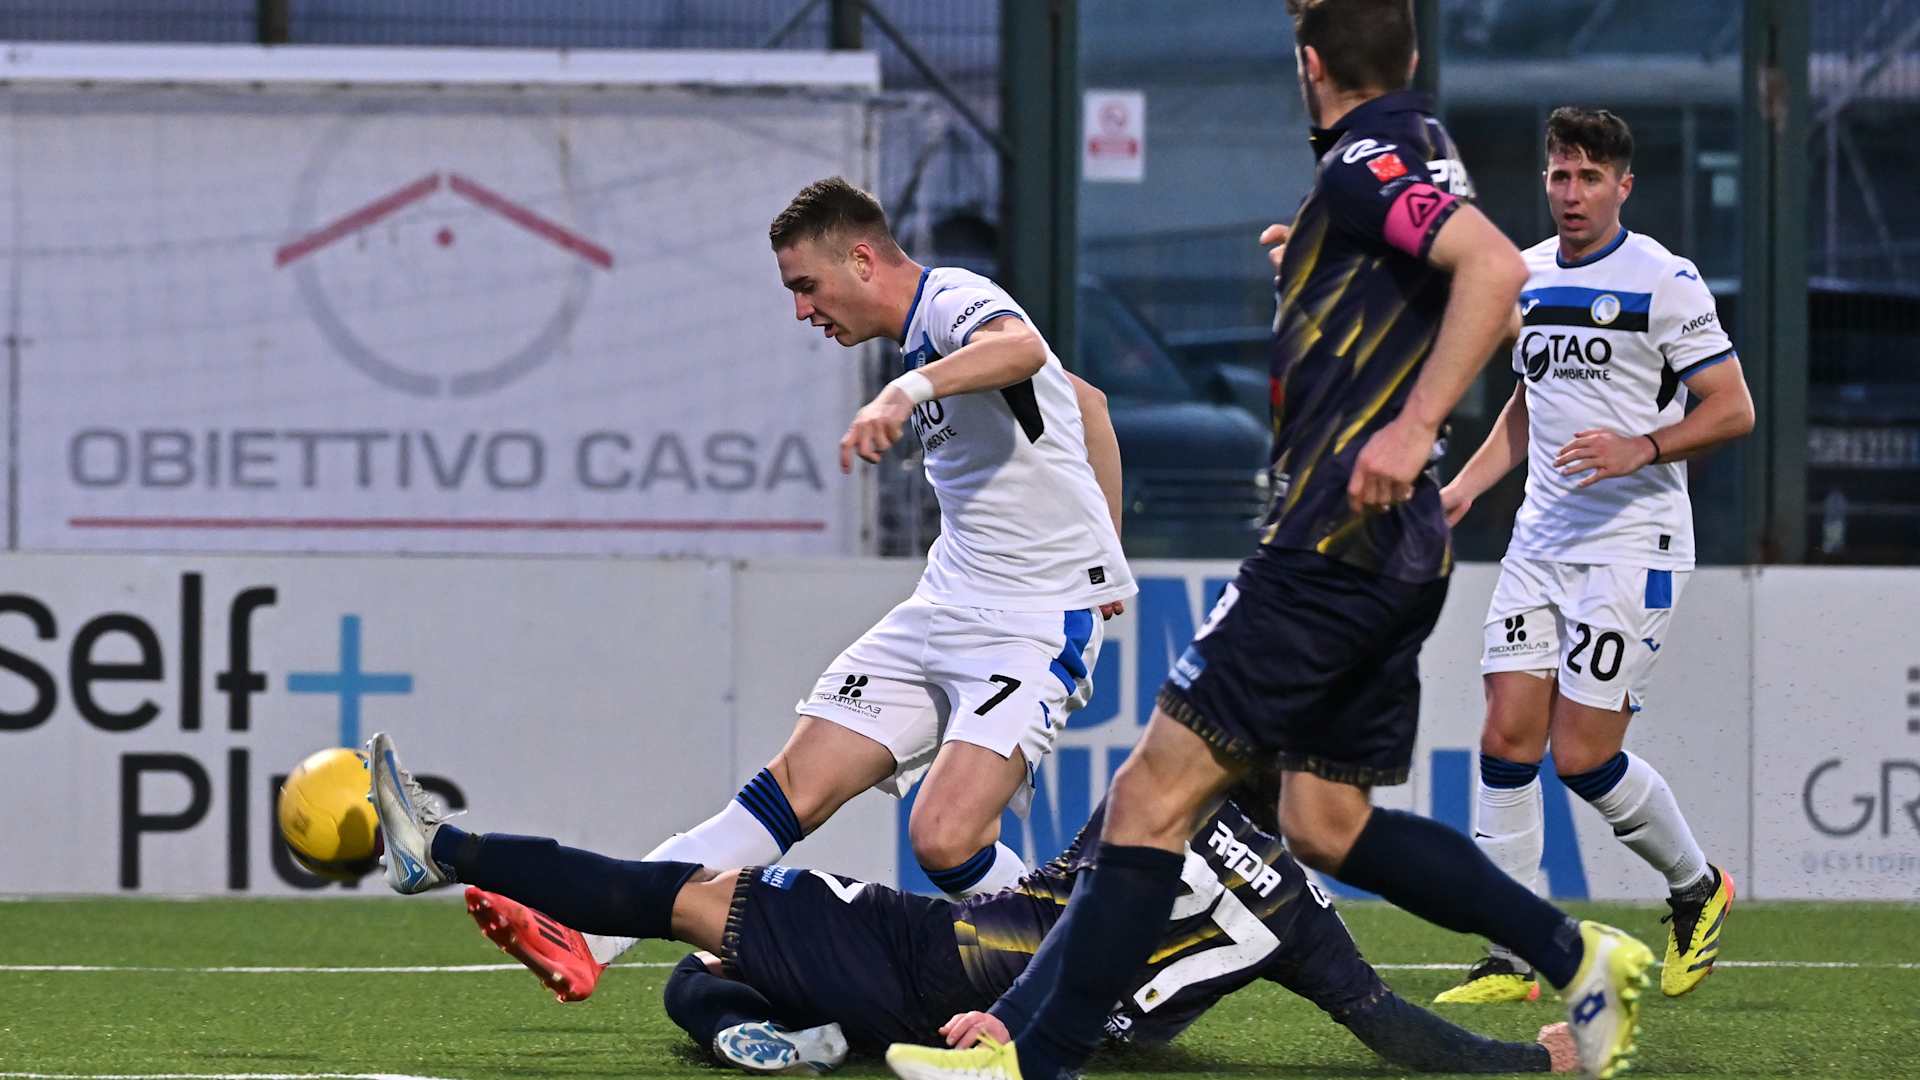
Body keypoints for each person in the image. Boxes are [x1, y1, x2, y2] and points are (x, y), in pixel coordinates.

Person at [883, 5, 1653, 1080]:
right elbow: (1444, 282)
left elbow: (1493, 272)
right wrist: (1329, 271)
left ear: (1310, 63)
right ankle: (1576, 953)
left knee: (1150, 798)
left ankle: (1031, 1061)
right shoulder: (1421, 143)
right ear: (1410, 56)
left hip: (1327, 545)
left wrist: (1416, 425)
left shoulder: (1362, 163)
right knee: (1327, 824)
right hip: (1394, 551)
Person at [504, 177, 1137, 1000]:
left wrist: (906, 393)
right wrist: (1105, 544)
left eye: (807, 285)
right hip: (943, 604)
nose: (803, 310)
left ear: (863, 259)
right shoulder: (922, 335)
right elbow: (1087, 401)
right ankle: (592, 934)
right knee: (786, 793)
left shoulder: (954, 301)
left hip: (1029, 624)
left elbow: (1020, 349)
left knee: (944, 838)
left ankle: (1084, 980)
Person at [363, 731, 1576, 1075]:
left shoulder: (1158, 801)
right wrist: (1531, 1065)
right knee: (698, 977)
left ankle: (443, 845)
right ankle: (782, 1040)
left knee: (669, 897)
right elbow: (1389, 1027)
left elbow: (1087, 922)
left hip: (943, 959)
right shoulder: (1307, 917)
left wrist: (1008, 1018)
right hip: (962, 1014)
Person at [1433, 106, 1751, 1005]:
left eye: (1590, 177)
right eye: (1560, 175)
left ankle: (1697, 887)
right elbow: (1528, 405)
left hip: (1632, 545)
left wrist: (1641, 447)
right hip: (1539, 542)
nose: (1572, 193)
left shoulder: (1665, 281)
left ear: (1623, 186)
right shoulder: (1527, 275)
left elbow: (1733, 407)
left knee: (1580, 758)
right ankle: (1509, 953)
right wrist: (1465, 488)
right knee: (1505, 736)